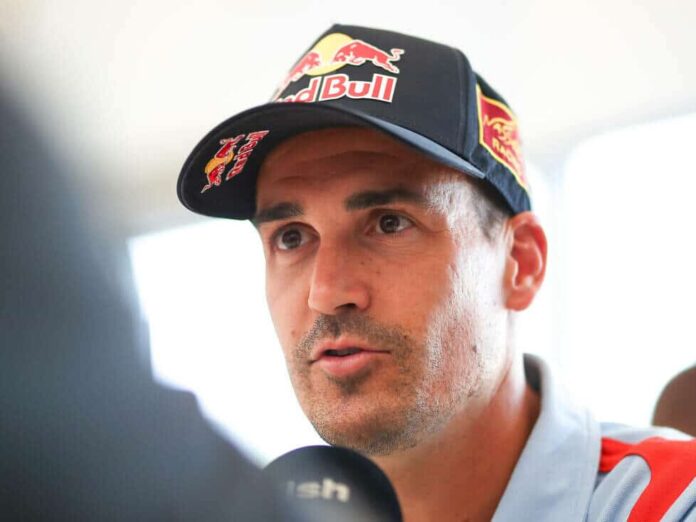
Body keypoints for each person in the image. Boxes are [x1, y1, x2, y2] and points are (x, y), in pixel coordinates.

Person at [177, 24, 696, 521]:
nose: (327, 291)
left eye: (389, 223)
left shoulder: (673, 501)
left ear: (520, 263)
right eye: (292, 237)